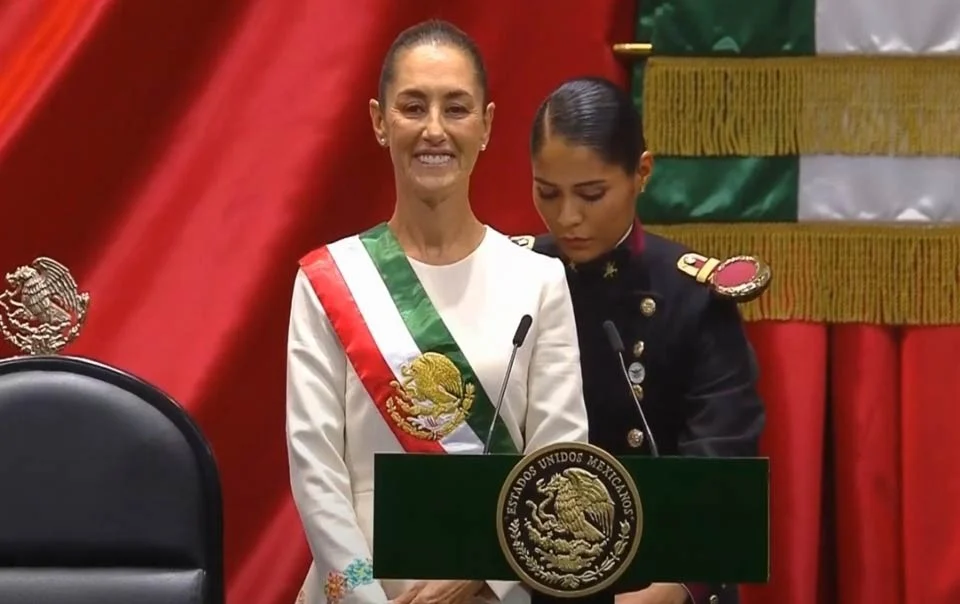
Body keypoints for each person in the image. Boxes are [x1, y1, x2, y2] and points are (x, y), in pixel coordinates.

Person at [286, 20, 590, 604]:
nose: (434, 130)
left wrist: (479, 574)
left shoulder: (540, 281)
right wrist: (366, 598)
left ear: (486, 125)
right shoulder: (328, 280)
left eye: (455, 108)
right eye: (412, 107)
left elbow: (556, 463)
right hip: (358, 590)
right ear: (380, 121)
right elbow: (316, 470)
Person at [511, 77, 768, 604]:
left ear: (641, 174)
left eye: (591, 194)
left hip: (654, 577)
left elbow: (721, 464)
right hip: (521, 573)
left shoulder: (690, 297)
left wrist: (677, 584)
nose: (567, 218)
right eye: (547, 192)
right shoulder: (513, 276)